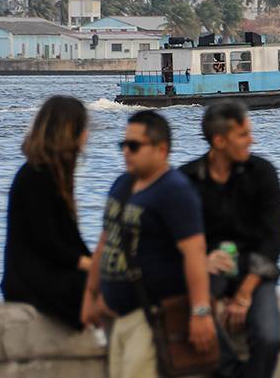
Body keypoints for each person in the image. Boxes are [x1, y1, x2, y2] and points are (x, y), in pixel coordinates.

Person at [81, 110, 216, 378]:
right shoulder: (121, 185)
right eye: (124, 145)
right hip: (117, 317)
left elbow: (194, 252)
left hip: (150, 318)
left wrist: (201, 311)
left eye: (134, 146)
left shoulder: (175, 192)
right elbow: (105, 242)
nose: (126, 152)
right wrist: (90, 295)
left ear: (161, 148)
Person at [180, 102, 280, 378]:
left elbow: (273, 238)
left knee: (269, 337)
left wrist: (243, 294)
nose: (252, 140)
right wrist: (201, 263)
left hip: (253, 268)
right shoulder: (187, 180)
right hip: (209, 267)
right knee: (197, 326)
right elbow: (175, 238)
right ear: (219, 141)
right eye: (243, 135)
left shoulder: (262, 173)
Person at [1, 96, 92, 329]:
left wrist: (95, 263)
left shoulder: (53, 171)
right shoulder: (38, 175)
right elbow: (46, 240)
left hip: (41, 271)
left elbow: (70, 237)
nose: (88, 135)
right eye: (85, 128)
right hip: (30, 280)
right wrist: (89, 265)